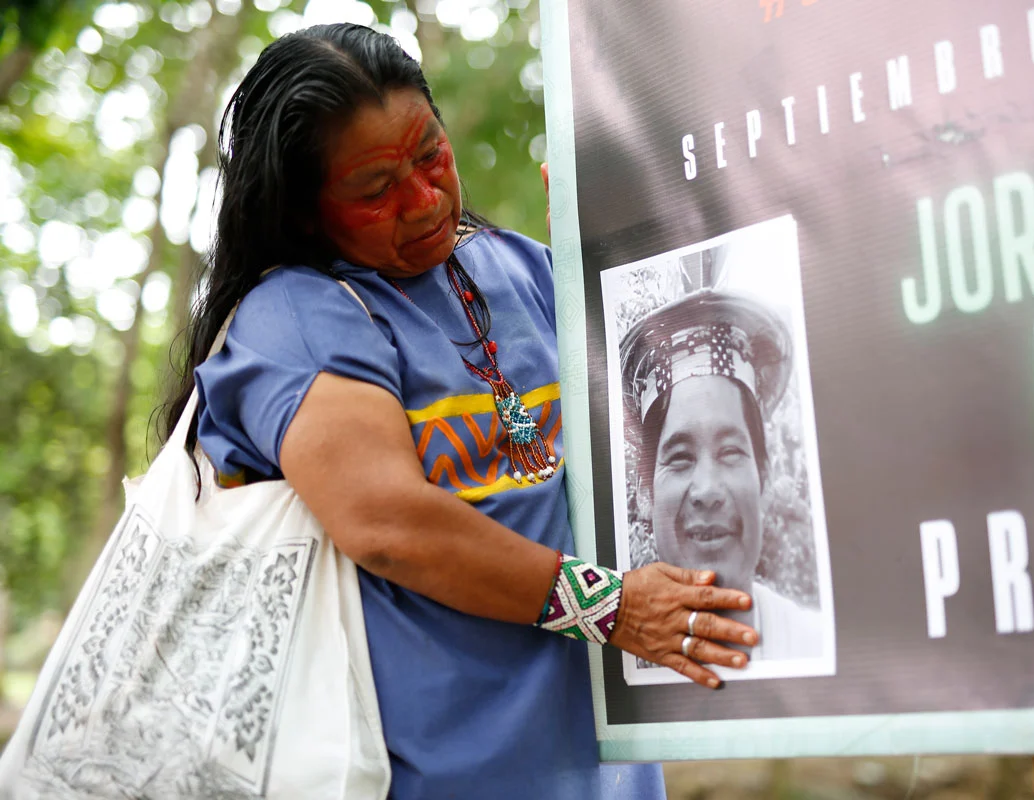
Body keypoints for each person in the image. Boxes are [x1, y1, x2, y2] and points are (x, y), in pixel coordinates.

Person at [161, 23, 761, 799]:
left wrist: (607, 258)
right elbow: (388, 525)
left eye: (430, 156)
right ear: (304, 211)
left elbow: (650, 410)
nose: (423, 200)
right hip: (440, 775)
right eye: (376, 190)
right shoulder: (295, 316)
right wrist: (610, 606)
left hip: (609, 773)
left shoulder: (515, 266)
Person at [620, 290, 824, 661]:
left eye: (730, 453)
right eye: (680, 458)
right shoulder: (613, 663)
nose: (708, 490)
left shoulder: (814, 648)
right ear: (645, 491)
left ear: (763, 477)